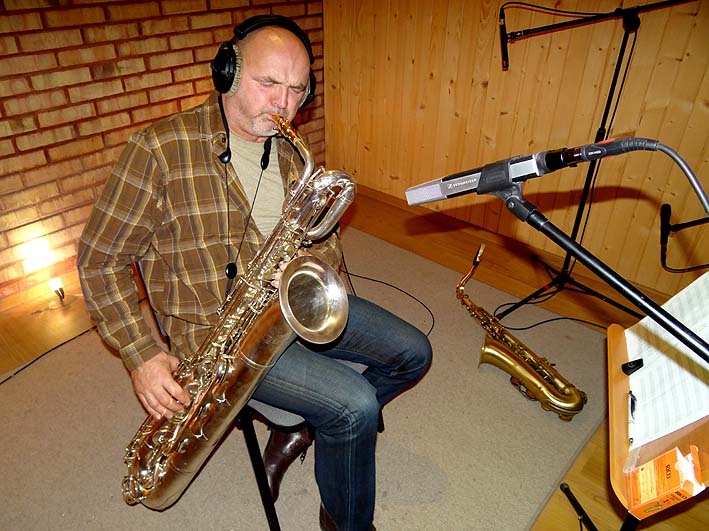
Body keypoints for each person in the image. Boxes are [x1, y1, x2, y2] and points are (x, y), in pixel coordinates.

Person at [77, 14, 432, 531]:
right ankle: (345, 519)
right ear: (228, 71)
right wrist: (142, 356)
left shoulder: (289, 148)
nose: (284, 104)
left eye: (297, 90)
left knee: (414, 353)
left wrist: (321, 280)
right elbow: (99, 260)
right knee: (353, 405)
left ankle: (309, 427)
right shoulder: (158, 150)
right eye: (269, 83)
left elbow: (319, 241)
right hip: (218, 336)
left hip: (290, 305)